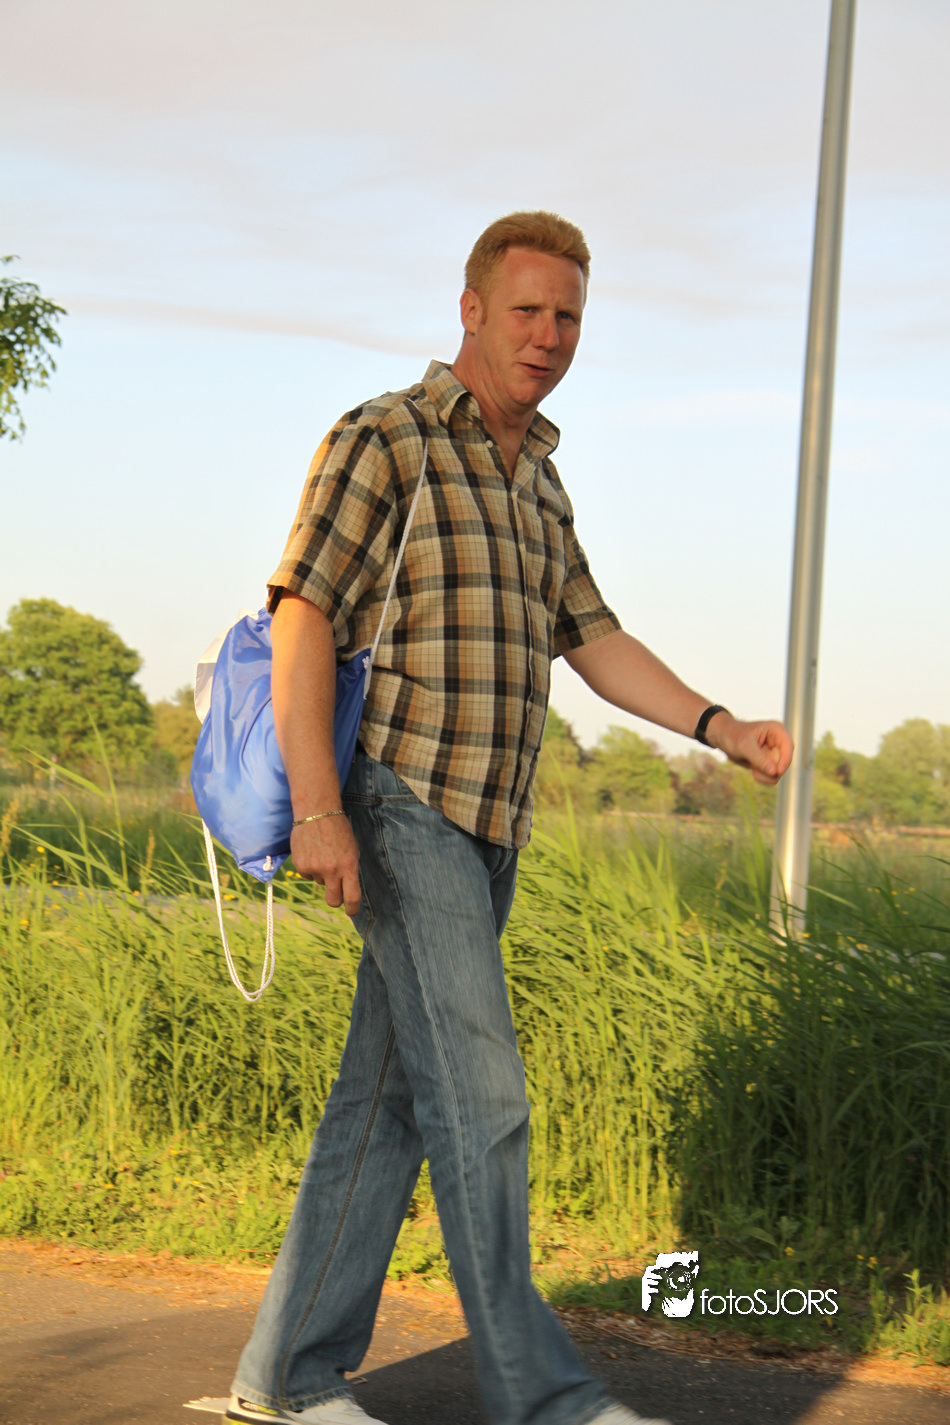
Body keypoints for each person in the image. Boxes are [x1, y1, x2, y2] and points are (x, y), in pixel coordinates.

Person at [226, 211, 793, 1425]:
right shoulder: (384, 437)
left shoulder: (537, 475)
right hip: (400, 801)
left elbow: (591, 635)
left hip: (491, 830)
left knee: (383, 1106)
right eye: (526, 309)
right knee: (483, 1102)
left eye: (567, 316)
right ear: (472, 309)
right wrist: (318, 805)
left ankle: (284, 1377)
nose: (547, 335)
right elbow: (303, 614)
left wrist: (718, 725)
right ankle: (548, 1400)